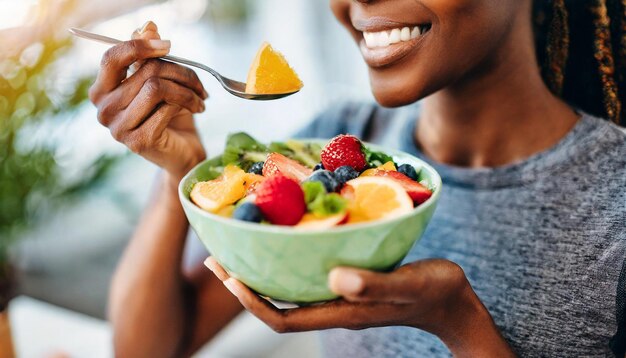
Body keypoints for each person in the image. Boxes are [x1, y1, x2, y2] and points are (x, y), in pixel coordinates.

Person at [88, 0, 626, 357]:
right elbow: (150, 347)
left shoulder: (615, 200)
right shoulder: (330, 147)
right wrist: (178, 171)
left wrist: (457, 321)